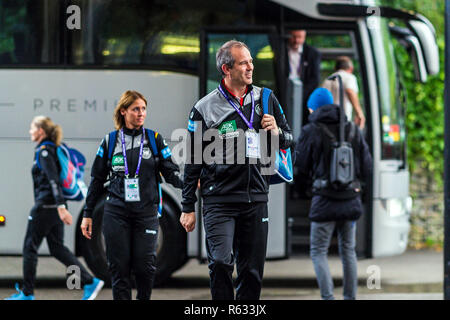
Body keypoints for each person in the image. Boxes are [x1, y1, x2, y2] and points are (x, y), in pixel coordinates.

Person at [180, 40, 293, 300]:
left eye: (251, 61)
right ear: (226, 69)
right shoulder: (203, 108)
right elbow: (193, 160)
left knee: (251, 273)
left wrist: (276, 132)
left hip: (255, 199)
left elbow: (290, 139)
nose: (250, 67)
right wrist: (187, 206)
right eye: (244, 63)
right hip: (219, 200)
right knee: (220, 263)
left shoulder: (266, 98)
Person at [80, 90, 182, 300]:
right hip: (116, 213)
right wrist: (88, 214)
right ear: (124, 111)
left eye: (144, 109)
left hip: (147, 213)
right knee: (119, 269)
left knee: (145, 267)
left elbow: (171, 173)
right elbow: (96, 181)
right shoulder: (109, 141)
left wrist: (190, 184)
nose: (141, 113)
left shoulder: (155, 140)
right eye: (136, 109)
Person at [5, 116, 103, 300]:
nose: (30, 132)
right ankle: (89, 281)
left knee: (29, 248)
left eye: (32, 128)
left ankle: (27, 294)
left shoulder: (44, 152)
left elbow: (53, 180)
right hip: (54, 206)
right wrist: (61, 205)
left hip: (46, 206)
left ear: (41, 131)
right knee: (57, 248)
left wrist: (60, 206)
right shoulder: (52, 148)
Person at [294, 88, 372, 300]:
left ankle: (328, 298)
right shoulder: (353, 130)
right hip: (350, 199)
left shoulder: (311, 130)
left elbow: (299, 166)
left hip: (324, 200)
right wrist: (357, 188)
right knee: (348, 251)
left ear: (315, 107)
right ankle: (350, 297)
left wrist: (303, 190)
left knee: (318, 251)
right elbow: (367, 166)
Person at [287, 29, 321, 126]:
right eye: (294, 37)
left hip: (304, 98)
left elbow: (314, 80)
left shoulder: (313, 54)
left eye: (299, 37)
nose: (296, 40)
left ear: (304, 37)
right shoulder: (280, 50)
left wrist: (299, 94)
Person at [322, 56, 366, 129]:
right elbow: (350, 91)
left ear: (335, 68)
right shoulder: (349, 77)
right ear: (351, 69)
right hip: (342, 121)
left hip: (327, 122)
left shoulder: (327, 80)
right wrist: (359, 113)